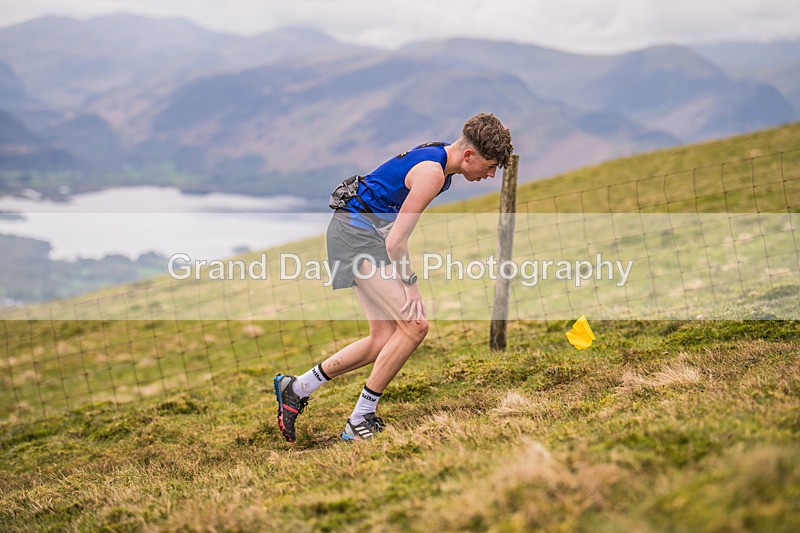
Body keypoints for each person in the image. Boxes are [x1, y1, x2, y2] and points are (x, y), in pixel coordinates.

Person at [274, 113, 513, 442]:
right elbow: (396, 242)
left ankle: (296, 387)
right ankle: (360, 418)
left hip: (358, 232)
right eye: (490, 166)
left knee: (382, 340)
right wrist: (411, 285)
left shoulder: (439, 159)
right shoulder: (432, 174)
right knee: (415, 326)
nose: (490, 174)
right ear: (469, 155)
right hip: (356, 236)